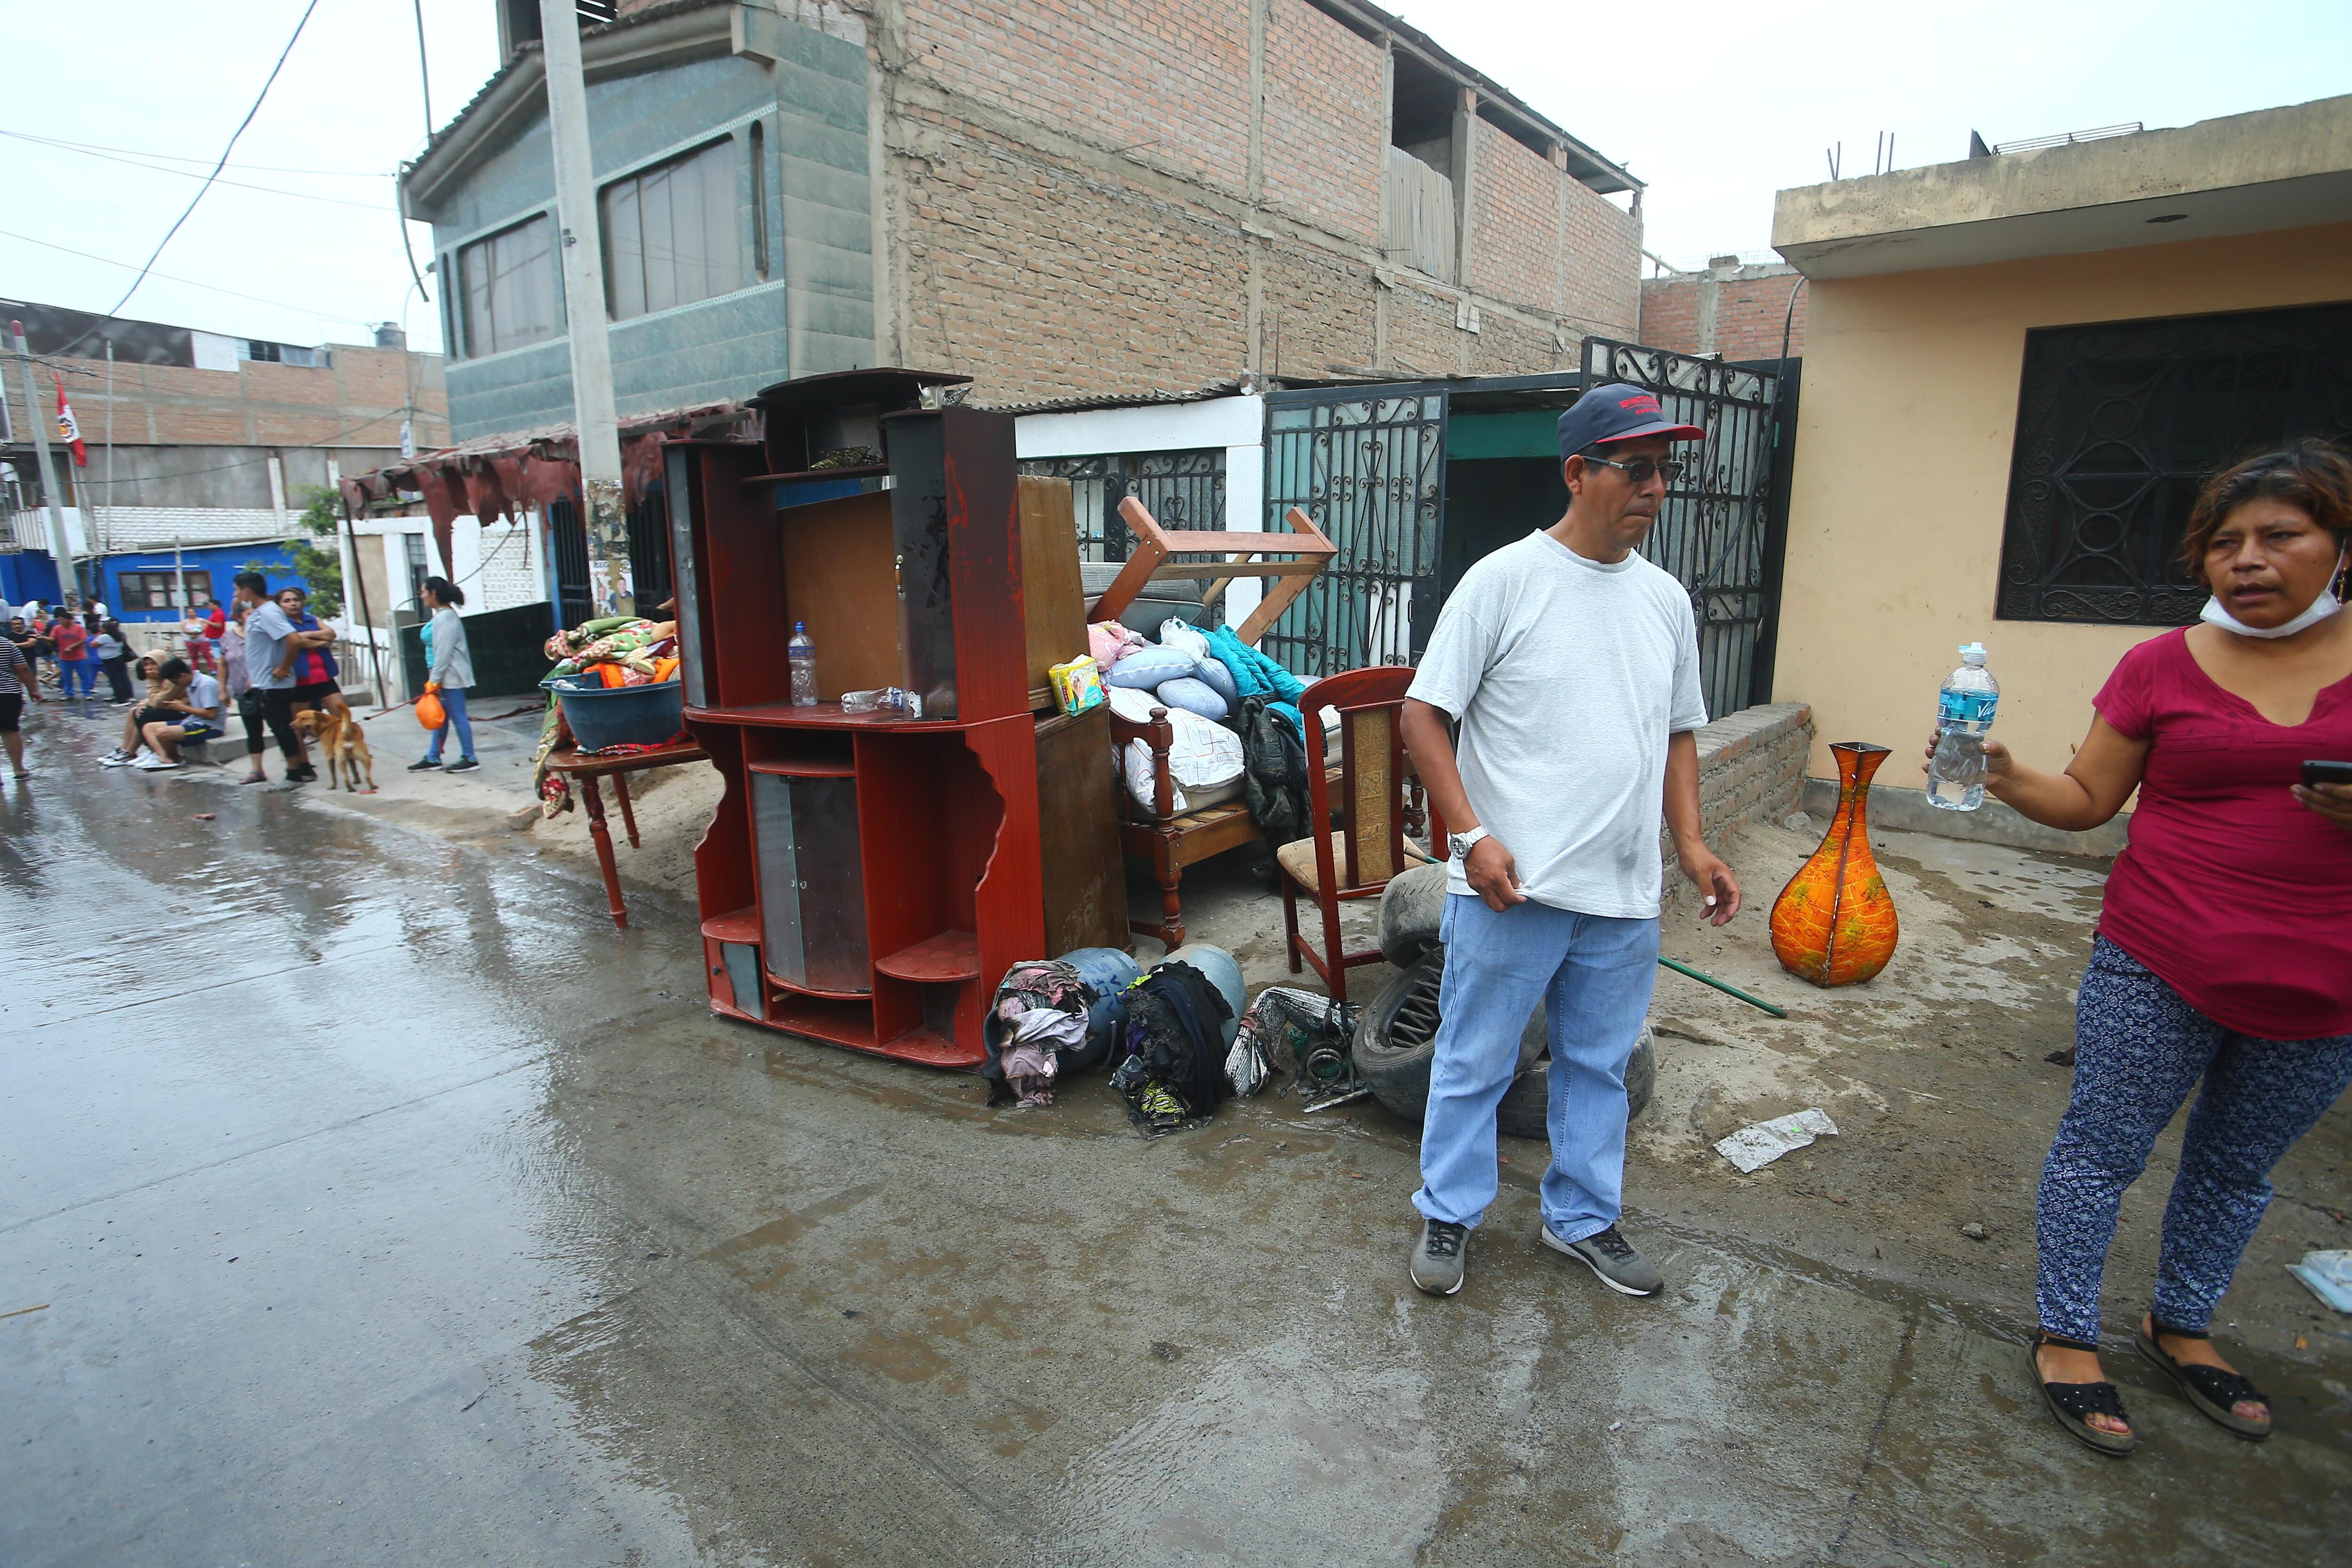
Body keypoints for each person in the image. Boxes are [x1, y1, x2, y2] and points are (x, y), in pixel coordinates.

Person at [1953, 439, 2352, 1456]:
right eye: (2225, 542)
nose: (2248, 559)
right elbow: (2089, 797)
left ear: (2339, 545)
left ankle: (2182, 1321)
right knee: (2100, 1148)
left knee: (2236, 1168)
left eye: (2279, 535)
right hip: (2158, 957)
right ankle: (2067, 1332)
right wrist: (2006, 774)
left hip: (2326, 985)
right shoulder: (2160, 666)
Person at [1396, 382, 1741, 1301]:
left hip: (1622, 894)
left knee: (1598, 1067)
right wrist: (1470, 836)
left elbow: (1678, 732)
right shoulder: (1504, 581)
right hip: (1512, 888)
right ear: (1578, 472)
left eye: (1665, 471)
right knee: (1475, 1059)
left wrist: (1693, 845)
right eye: (1637, 468)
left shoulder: (1666, 601)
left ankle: (1582, 1217)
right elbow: (1423, 715)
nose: (1655, 488)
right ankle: (1450, 1209)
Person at [233, 572, 315, 784]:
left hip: (274, 684)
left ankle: (294, 773)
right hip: (262, 682)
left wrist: (283, 668)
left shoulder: (269, 612)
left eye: (237, 591)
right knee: (271, 727)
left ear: (247, 591)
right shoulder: (260, 613)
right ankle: (296, 769)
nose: (236, 595)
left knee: (282, 728)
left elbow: (294, 640)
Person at [410, 576, 478, 773]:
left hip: (450, 675)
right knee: (440, 715)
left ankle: (470, 757)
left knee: (458, 715)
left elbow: (443, 652)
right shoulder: (441, 615)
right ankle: (433, 756)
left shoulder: (446, 618)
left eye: (424, 592)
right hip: (442, 674)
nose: (422, 596)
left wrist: (435, 680)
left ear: (433, 593)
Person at [129, 657, 222, 771]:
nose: (176, 685)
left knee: (162, 733)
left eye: (175, 681)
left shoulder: (205, 685)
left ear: (183, 676)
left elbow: (212, 714)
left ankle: (171, 758)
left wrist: (183, 708)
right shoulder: (190, 683)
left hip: (210, 726)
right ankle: (163, 757)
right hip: (194, 720)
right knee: (149, 728)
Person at [274, 585, 349, 723]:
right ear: (279, 605)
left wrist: (307, 635)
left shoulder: (312, 619)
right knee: (300, 723)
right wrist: (321, 642)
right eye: (287, 601)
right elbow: (296, 643)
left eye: (296, 600)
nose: (293, 604)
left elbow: (331, 634)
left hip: (324, 675)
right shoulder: (281, 624)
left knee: (342, 717)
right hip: (300, 678)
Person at [0, 627, 32, 778]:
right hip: (8, 693)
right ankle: (18, 769)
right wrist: (34, 690)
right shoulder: (5, 643)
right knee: (10, 730)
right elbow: (23, 669)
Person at [49, 609, 92, 703]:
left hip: (80, 657)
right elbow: (52, 639)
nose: (61, 622)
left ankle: (87, 693)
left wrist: (72, 646)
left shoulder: (79, 628)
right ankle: (69, 694)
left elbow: (83, 640)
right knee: (67, 677)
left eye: (63, 620)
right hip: (65, 658)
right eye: (60, 620)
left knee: (84, 676)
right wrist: (42, 638)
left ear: (69, 620)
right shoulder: (57, 628)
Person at [90, 620, 133, 705]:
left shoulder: (104, 637)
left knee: (115, 680)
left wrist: (99, 634)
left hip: (110, 660)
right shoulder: (119, 635)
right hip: (119, 658)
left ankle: (121, 699)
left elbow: (92, 645)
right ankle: (128, 696)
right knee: (123, 678)